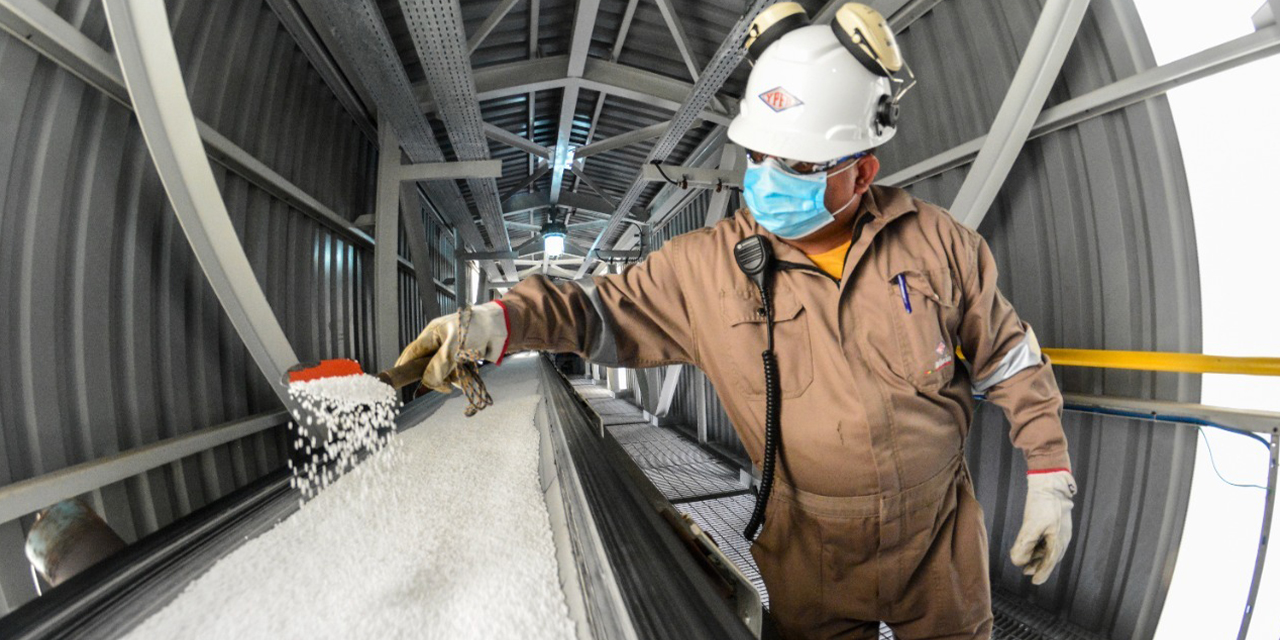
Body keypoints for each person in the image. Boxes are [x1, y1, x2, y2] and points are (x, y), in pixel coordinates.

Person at [397, 4, 1075, 638]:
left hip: (939, 543)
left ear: (862, 172)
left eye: (798, 163)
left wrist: (1049, 473)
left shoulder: (938, 246)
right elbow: (597, 310)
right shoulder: (708, 270)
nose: (768, 177)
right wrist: (497, 321)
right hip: (811, 553)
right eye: (757, 155)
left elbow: (1008, 357)